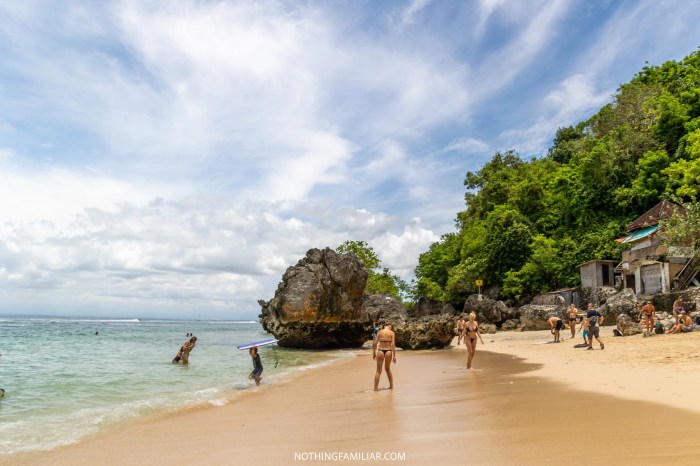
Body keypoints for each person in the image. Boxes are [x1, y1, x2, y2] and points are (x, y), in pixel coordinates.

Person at [372, 322, 396, 391]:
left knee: (378, 371)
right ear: (389, 325)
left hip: (380, 351)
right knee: (388, 369)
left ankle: (375, 388)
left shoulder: (379, 332)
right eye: (391, 326)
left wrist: (373, 353)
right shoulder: (392, 333)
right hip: (388, 351)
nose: (391, 327)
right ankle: (391, 386)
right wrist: (394, 356)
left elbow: (375, 343)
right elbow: (393, 345)